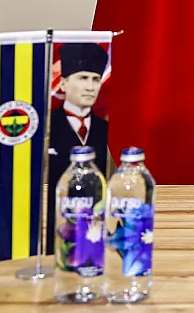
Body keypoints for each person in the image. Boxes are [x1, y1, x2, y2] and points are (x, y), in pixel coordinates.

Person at [46, 42, 109, 253]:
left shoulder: (104, 128)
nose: (90, 87)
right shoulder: (48, 127)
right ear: (63, 84)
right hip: (53, 223)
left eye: (96, 79)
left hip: (94, 226)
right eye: (83, 78)